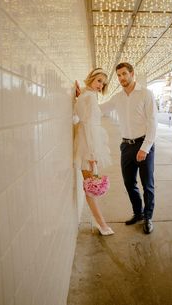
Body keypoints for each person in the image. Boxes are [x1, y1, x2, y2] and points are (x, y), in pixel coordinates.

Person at [96, 62, 157, 234]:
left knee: (148, 185)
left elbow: (153, 123)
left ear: (132, 73)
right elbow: (101, 109)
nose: (121, 78)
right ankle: (138, 213)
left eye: (124, 74)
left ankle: (148, 217)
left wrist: (145, 148)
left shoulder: (146, 94)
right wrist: (83, 98)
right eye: (119, 75)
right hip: (126, 146)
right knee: (129, 183)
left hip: (144, 144)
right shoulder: (118, 97)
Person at [74, 68, 114, 236]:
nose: (100, 85)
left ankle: (101, 223)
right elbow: (88, 124)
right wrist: (92, 154)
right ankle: (102, 225)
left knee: (90, 185)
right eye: (98, 81)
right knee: (91, 186)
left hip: (88, 143)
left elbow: (85, 118)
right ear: (91, 78)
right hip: (88, 146)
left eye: (103, 83)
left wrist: (79, 93)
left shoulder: (87, 95)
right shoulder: (89, 96)